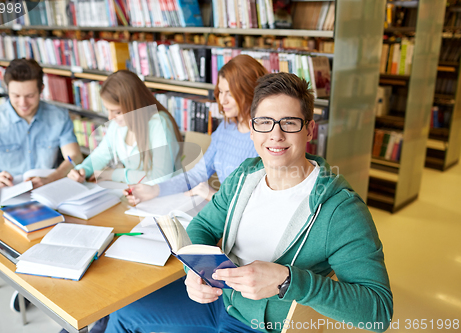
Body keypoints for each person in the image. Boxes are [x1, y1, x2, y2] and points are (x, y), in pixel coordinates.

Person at [105, 73, 393, 333]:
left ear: (310, 130)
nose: (275, 135)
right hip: (219, 303)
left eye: (289, 123)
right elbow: (203, 225)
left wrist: (288, 280)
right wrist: (194, 272)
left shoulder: (340, 209)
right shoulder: (246, 175)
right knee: (122, 314)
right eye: (264, 123)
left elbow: (378, 312)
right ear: (252, 130)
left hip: (262, 327)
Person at [0, 58, 83, 312]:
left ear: (41, 90)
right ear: (6, 90)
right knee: (24, 236)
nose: (23, 103)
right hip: (7, 202)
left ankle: (48, 287)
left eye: (30, 95)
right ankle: (30, 286)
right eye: (15, 95)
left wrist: (54, 176)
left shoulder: (58, 116)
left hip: (47, 193)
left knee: (75, 233)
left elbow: (74, 157)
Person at [125, 54, 267, 204]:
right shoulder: (225, 129)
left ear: (250, 92)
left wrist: (211, 195)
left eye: (230, 94)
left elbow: (258, 204)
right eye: (221, 92)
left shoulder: (267, 138)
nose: (222, 100)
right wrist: (154, 189)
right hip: (222, 212)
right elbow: (198, 173)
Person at [67, 70, 182, 185]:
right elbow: (101, 155)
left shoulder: (159, 124)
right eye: (107, 110)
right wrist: (83, 169)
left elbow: (160, 178)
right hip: (137, 191)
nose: (110, 117)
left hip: (167, 195)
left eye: (117, 112)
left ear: (134, 107)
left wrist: (113, 174)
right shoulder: (117, 126)